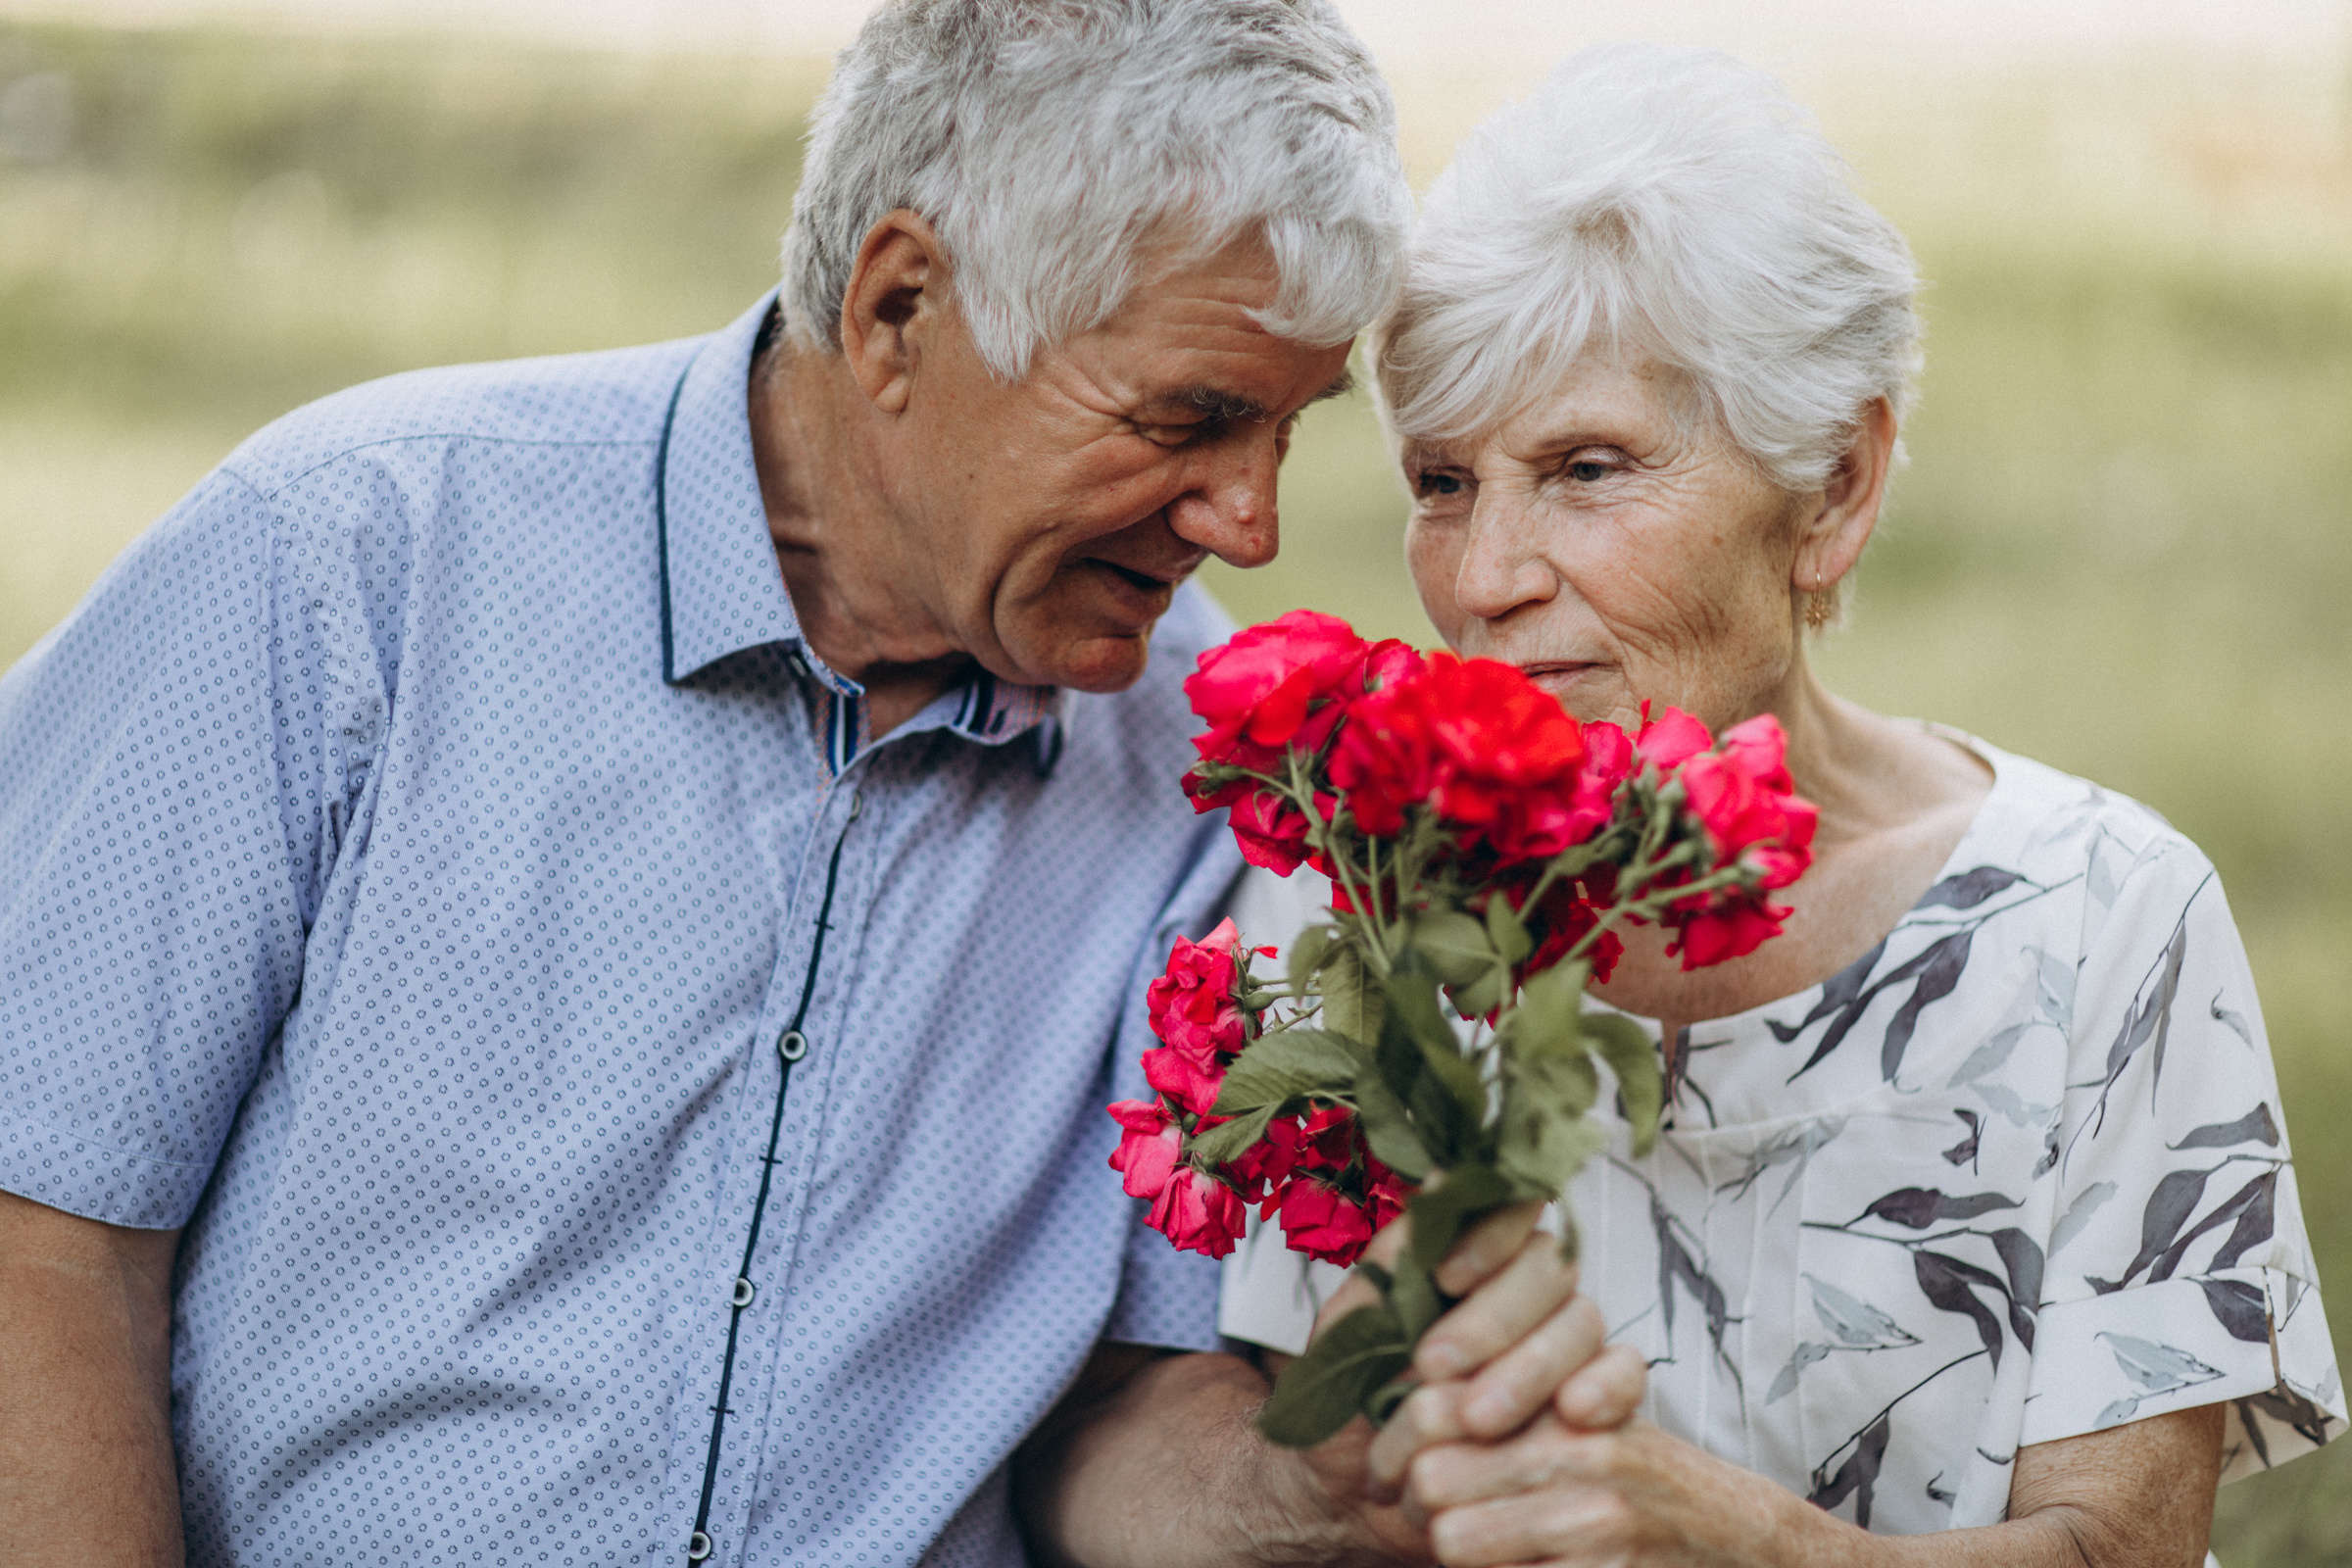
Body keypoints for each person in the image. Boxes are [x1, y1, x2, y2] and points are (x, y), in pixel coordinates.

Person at [0, 5, 1642, 1564]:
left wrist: (1309, 1484)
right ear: (899, 311)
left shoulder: (1207, 766)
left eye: (1287, 430)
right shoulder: (351, 566)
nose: (1250, 521)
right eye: (1190, 418)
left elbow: (1114, 1410)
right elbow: (43, 1236)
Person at [1219, 43, 2343, 1568]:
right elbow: (1321, 1490)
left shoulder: (2100, 921)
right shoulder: (1359, 888)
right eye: (1442, 481)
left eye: (1589, 465)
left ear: (1835, 489)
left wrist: (1731, 1544)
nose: (1485, 579)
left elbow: (2118, 1551)